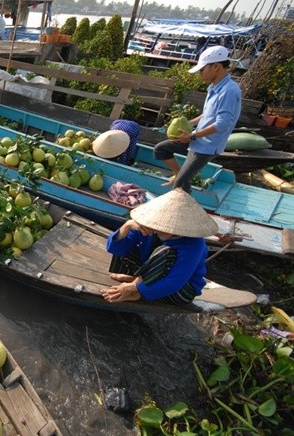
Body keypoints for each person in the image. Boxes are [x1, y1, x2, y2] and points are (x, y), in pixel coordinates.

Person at [101, 188, 218, 305]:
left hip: (181, 290)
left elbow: (174, 283)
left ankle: (139, 290)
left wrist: (133, 288)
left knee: (165, 251)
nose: (157, 228)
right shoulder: (148, 225)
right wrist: (126, 226)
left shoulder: (194, 244)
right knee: (124, 241)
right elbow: (114, 249)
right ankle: (138, 281)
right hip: (152, 275)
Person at [153, 46, 241, 193]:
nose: (200, 73)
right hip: (197, 139)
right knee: (161, 149)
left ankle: (186, 210)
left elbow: (223, 123)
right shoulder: (214, 87)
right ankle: (179, 174)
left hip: (207, 146)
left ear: (216, 67)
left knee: (180, 185)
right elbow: (208, 114)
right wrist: (188, 123)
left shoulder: (229, 91)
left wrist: (192, 135)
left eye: (202, 70)